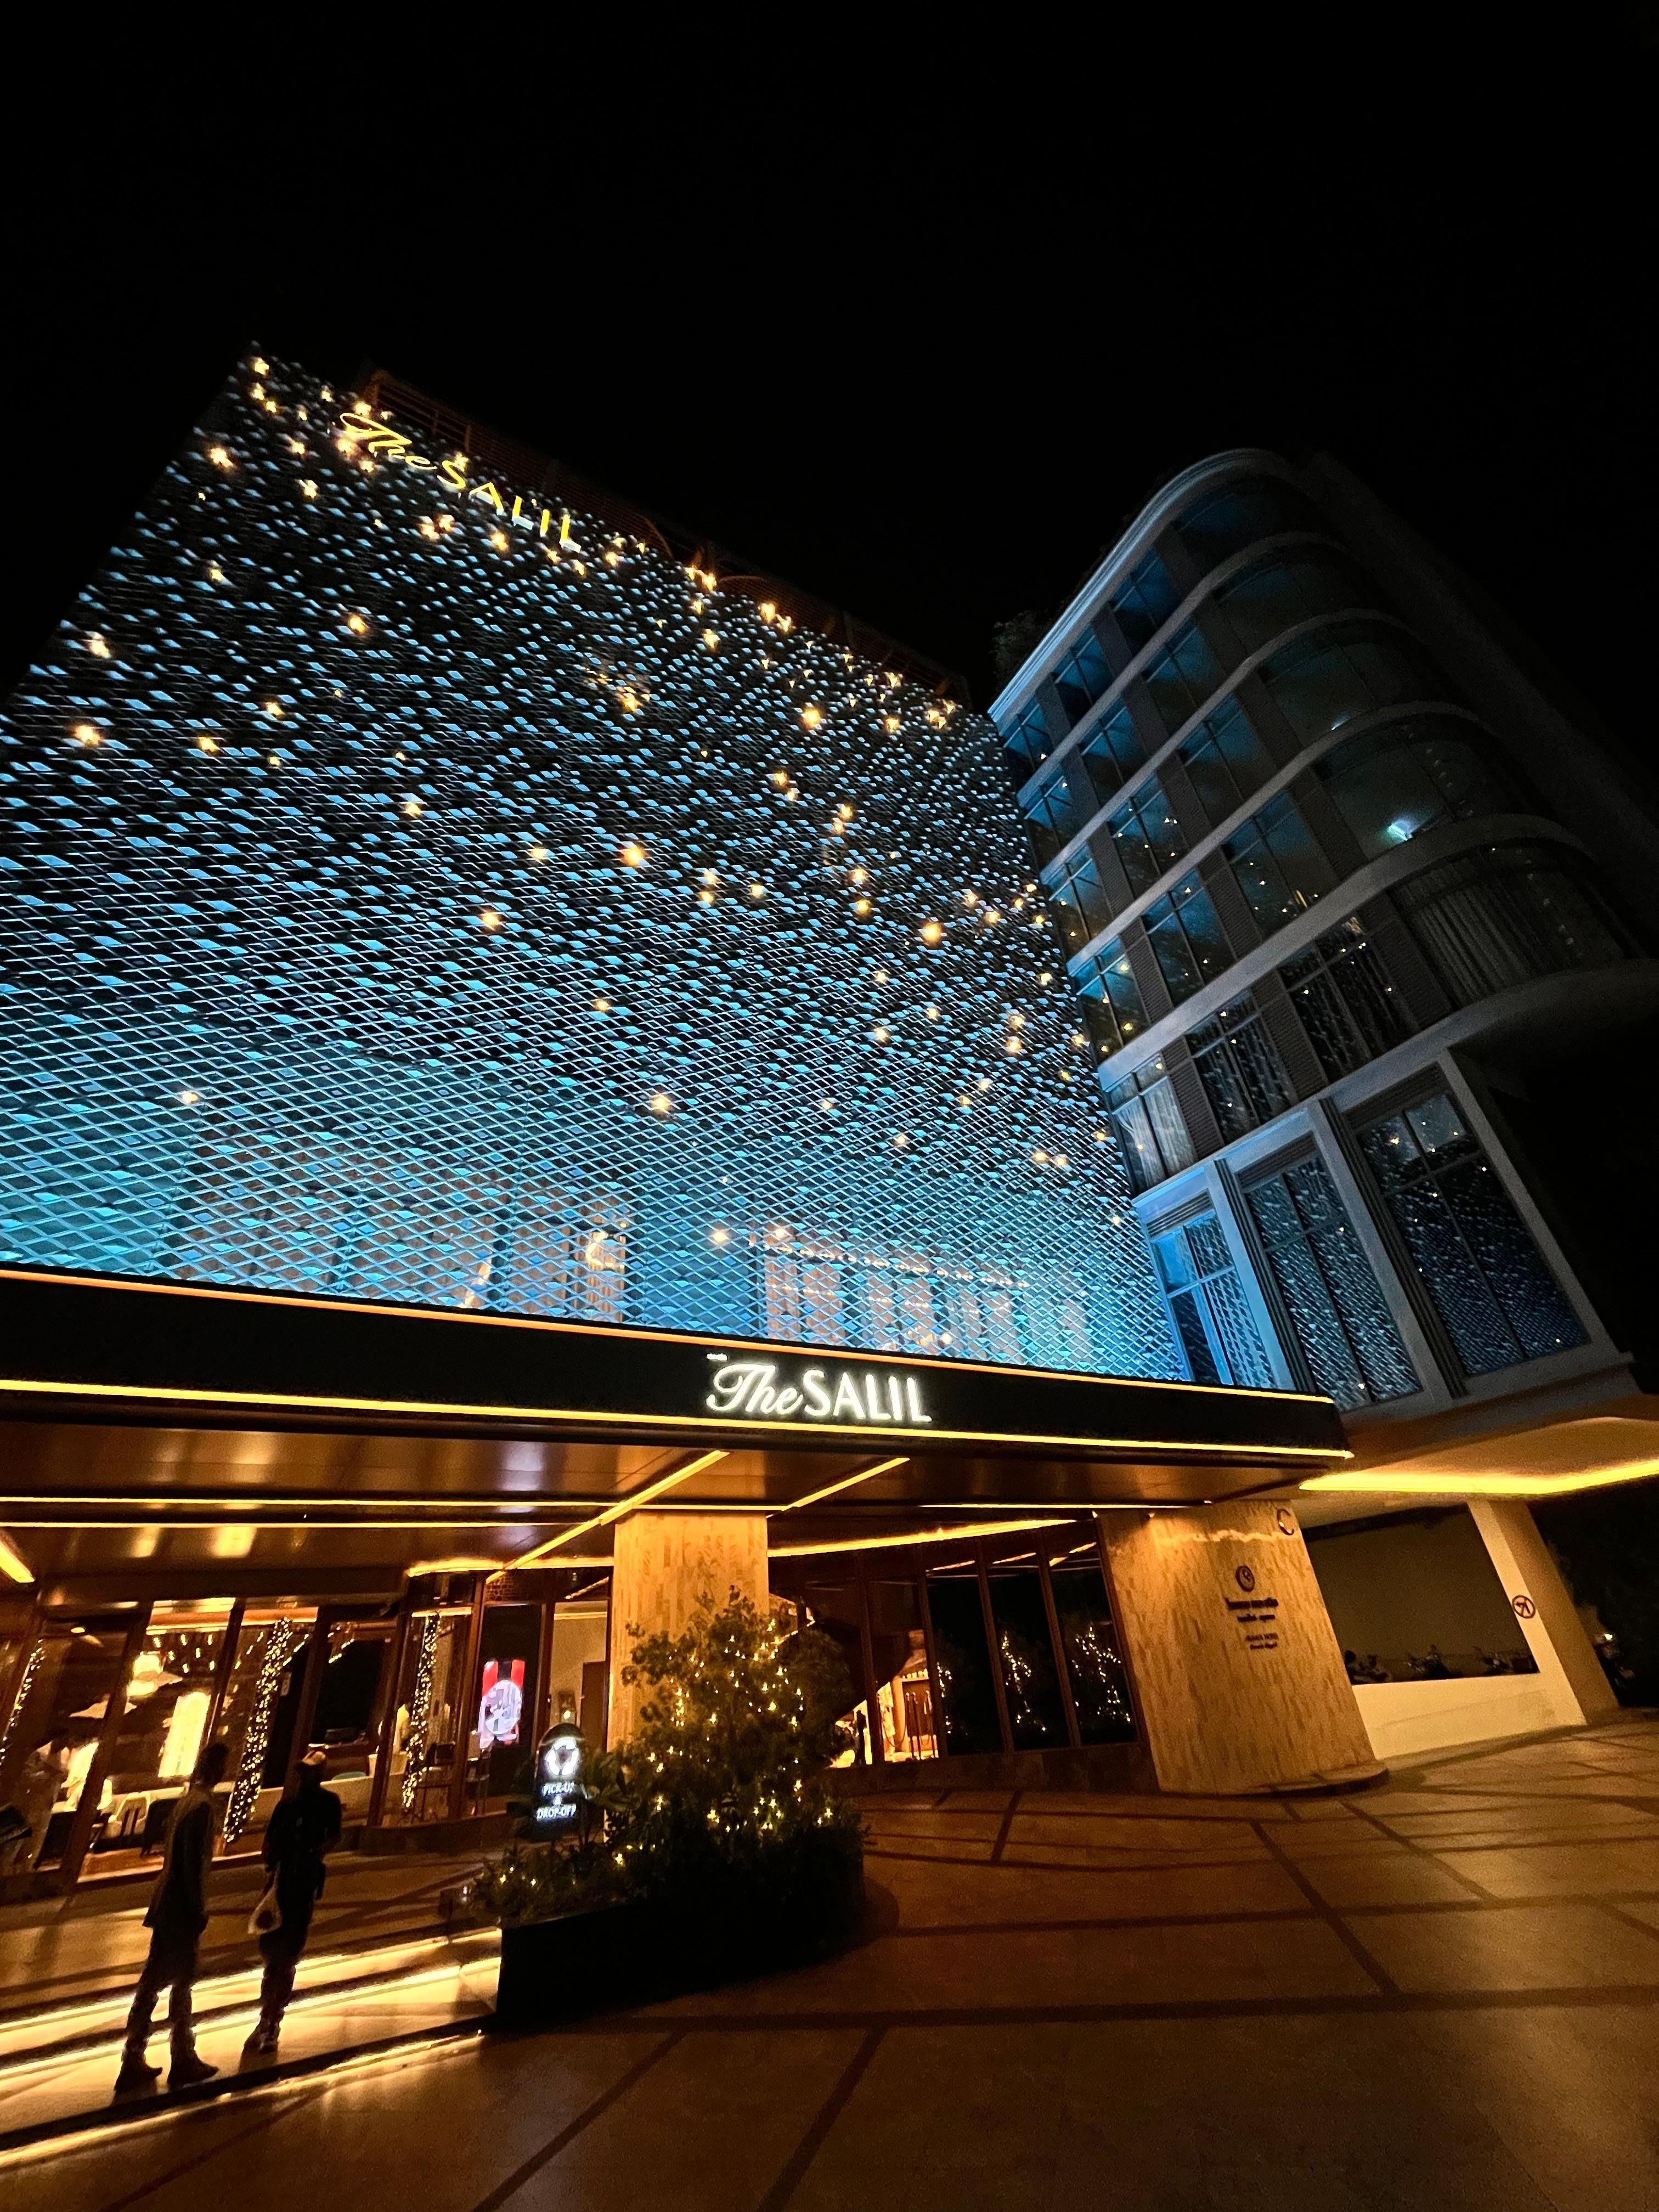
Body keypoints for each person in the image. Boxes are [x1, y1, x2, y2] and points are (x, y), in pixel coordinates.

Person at [115, 1738, 230, 2095]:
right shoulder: (203, 1808)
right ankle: (182, 2056)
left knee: (153, 1982)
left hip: (165, 1903)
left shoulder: (185, 1802)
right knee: (181, 1983)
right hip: (181, 1907)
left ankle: (134, 2055)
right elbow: (193, 1864)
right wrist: (198, 1908)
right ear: (217, 1770)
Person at [244, 1749, 342, 2057]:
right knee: (273, 1955)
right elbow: (270, 1842)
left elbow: (333, 1836)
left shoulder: (325, 1804)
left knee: (285, 1957)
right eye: (303, 1773)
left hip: (301, 1885)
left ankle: (272, 2021)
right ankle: (266, 2018)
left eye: (310, 1773)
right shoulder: (288, 1805)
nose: (304, 1778)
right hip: (281, 1883)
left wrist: (313, 1854)